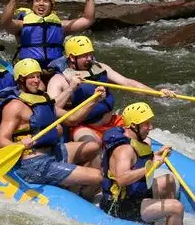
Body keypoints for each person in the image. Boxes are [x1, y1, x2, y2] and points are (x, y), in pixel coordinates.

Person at [0, 58, 104, 192]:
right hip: (33, 163)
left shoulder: (42, 99)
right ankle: (82, 195)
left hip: (52, 152)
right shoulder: (15, 106)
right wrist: (19, 145)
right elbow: (1, 141)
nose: (36, 81)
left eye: (38, 76)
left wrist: (94, 100)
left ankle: (76, 185)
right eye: (31, 77)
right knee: (97, 176)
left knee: (93, 147)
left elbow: (71, 119)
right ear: (21, 80)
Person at [46, 35, 175, 144]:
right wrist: (70, 88)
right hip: (84, 126)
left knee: (145, 142)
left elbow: (127, 83)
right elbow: (51, 108)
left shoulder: (101, 68)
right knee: (91, 145)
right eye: (84, 56)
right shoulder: (59, 79)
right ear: (72, 58)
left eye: (91, 54)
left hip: (111, 121)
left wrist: (157, 93)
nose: (90, 59)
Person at [99, 102, 185, 225]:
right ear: (133, 125)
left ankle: (170, 222)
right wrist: (151, 166)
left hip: (135, 195)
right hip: (121, 205)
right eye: (146, 124)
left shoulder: (135, 142)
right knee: (176, 207)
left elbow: (137, 161)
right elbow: (122, 179)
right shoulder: (124, 149)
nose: (150, 127)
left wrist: (157, 154)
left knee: (169, 180)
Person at [0, 0, 96, 68]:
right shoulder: (22, 25)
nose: (41, 4)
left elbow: (88, 19)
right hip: (30, 70)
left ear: (52, 5)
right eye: (37, 0)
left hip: (54, 68)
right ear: (32, 4)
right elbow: (5, 22)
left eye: (45, 1)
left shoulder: (61, 26)